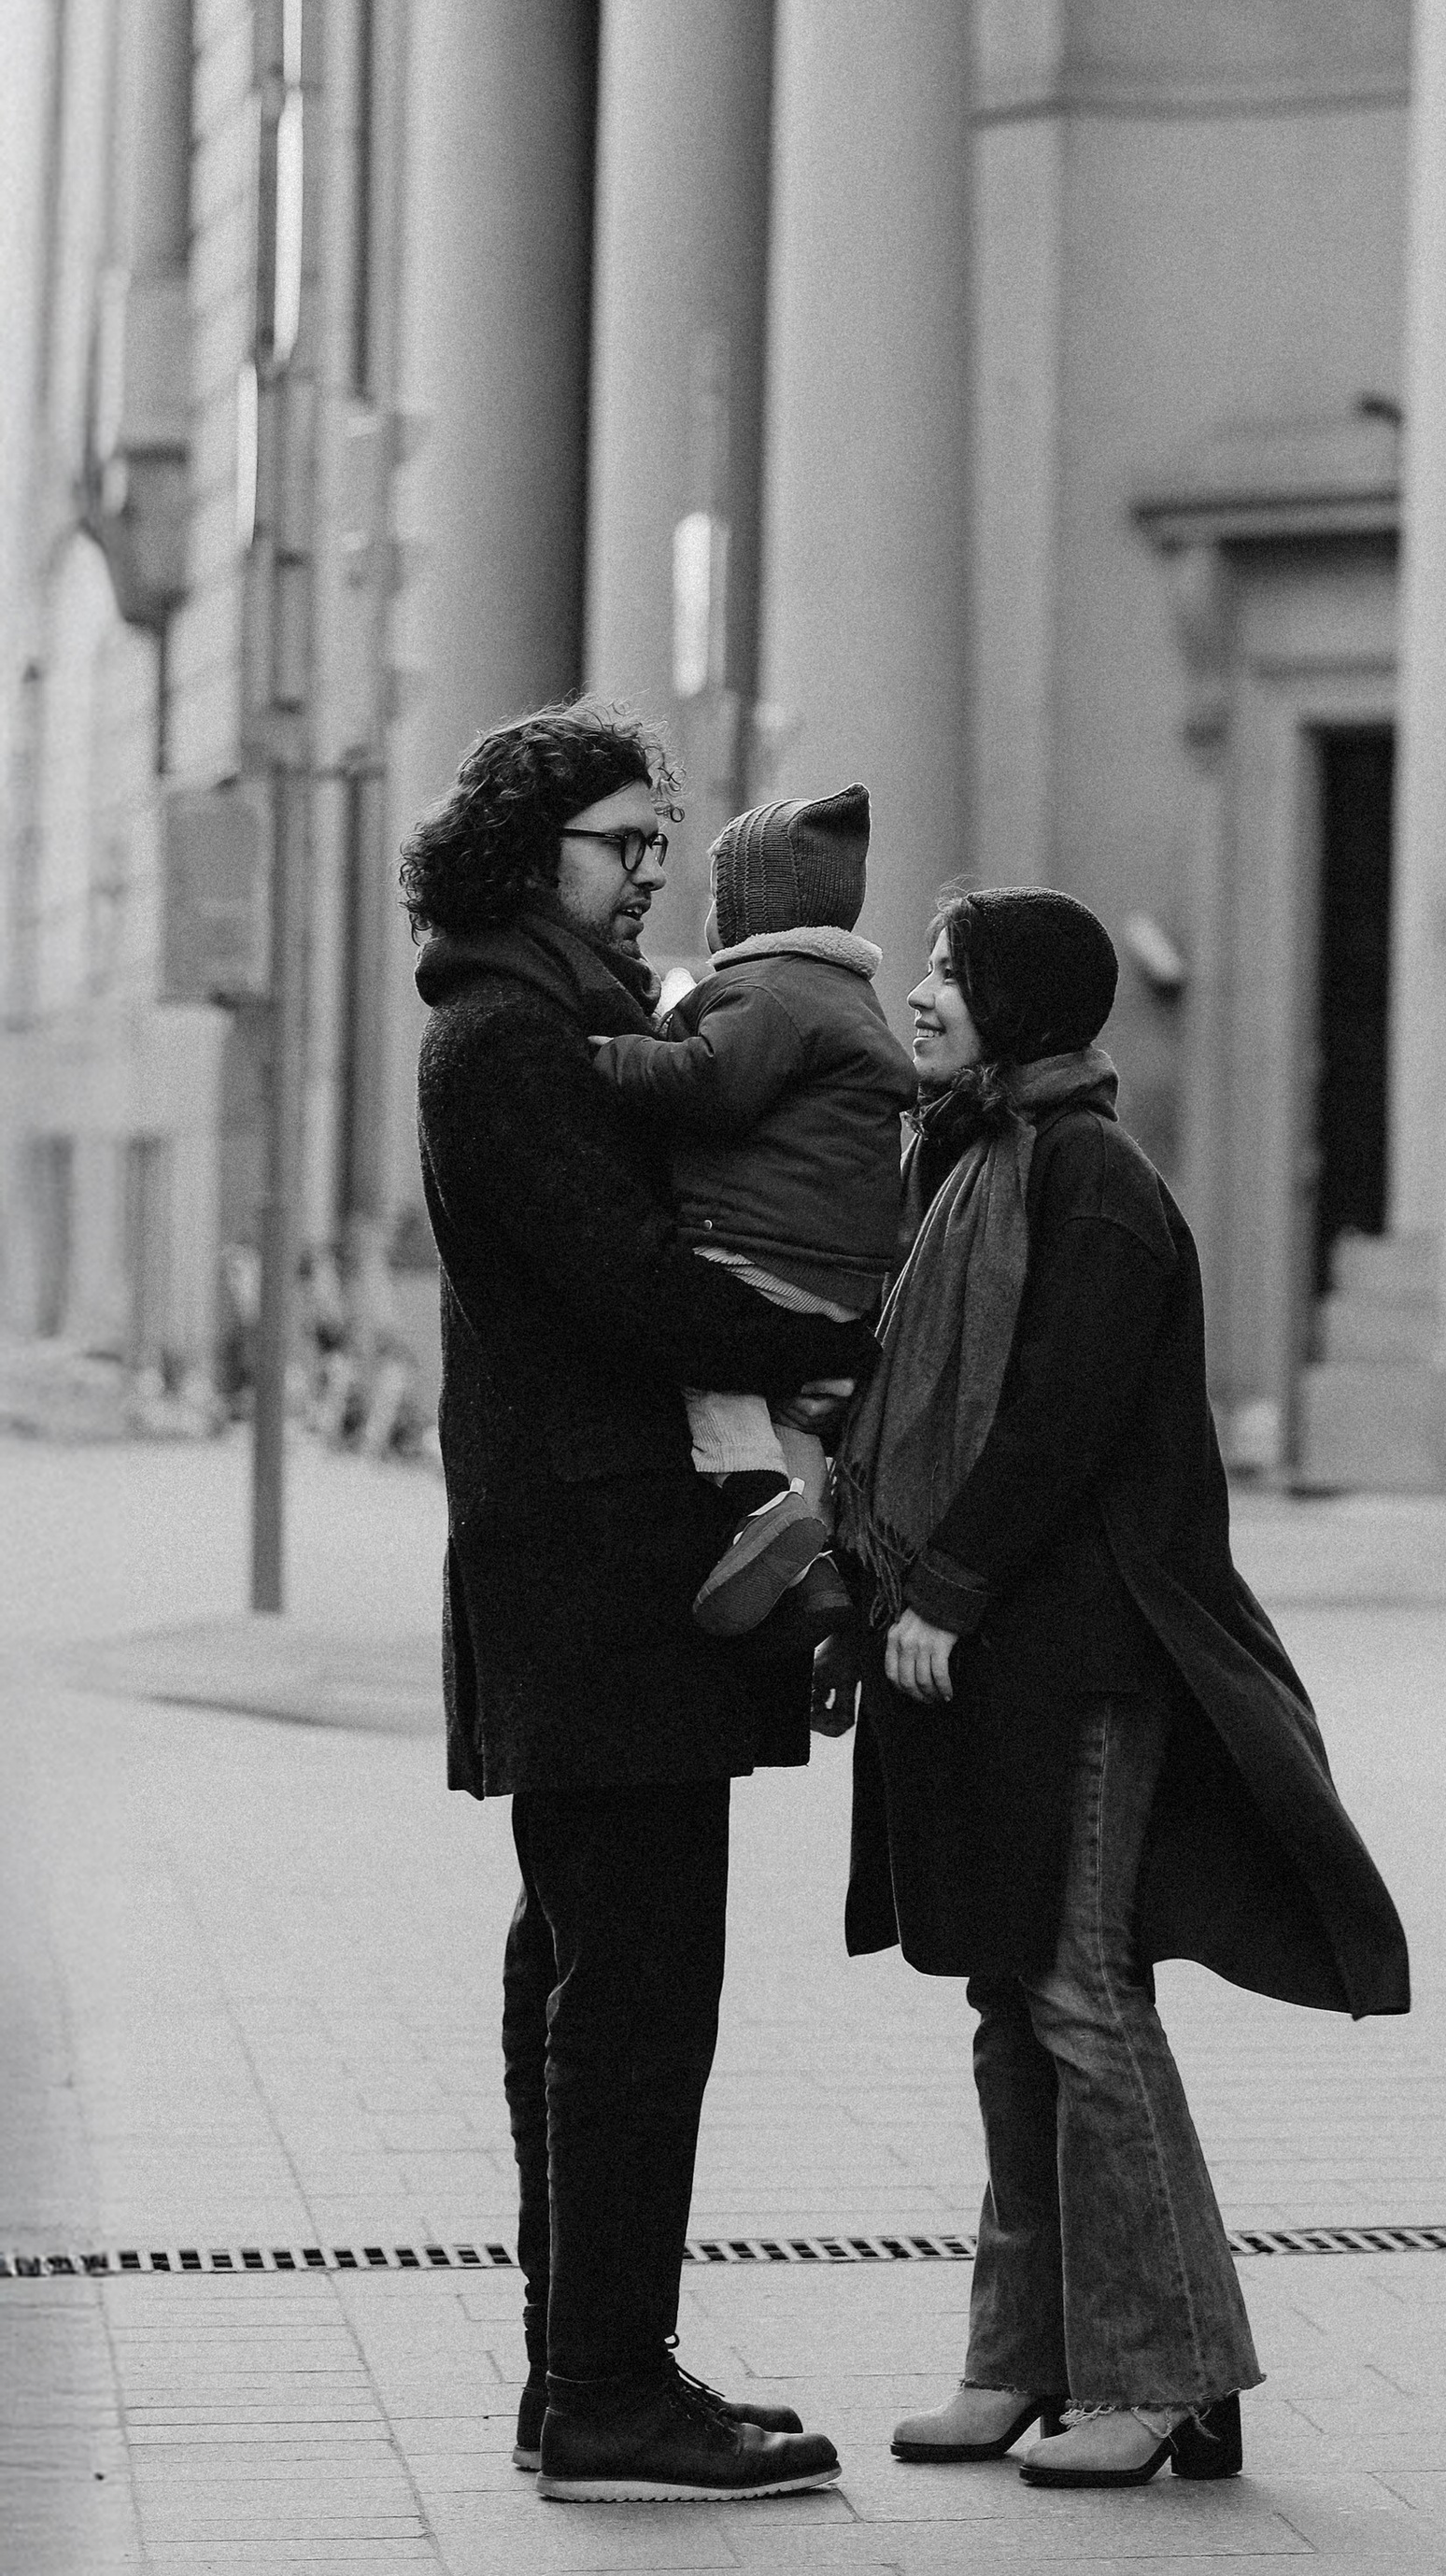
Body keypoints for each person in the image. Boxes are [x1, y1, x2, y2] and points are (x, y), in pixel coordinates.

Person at [840, 885, 1410, 2493]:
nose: (929, 990)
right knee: (1010, 1999)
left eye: (956, 971)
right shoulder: (962, 1160)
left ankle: (1162, 2374)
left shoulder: (1088, 1183)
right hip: (976, 1655)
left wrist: (946, 1587)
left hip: (1078, 1652)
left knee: (1083, 1996)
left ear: (1024, 1002)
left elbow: (1058, 1422)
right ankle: (1028, 2359)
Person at [404, 703, 871, 2508]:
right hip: (595, 1570)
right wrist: (829, 1346)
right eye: (623, 845)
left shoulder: (561, 1025)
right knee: (634, 1993)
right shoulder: (506, 1040)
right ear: (532, 854)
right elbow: (621, 1285)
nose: (653, 874)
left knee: (591, 1979)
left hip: (599, 1561)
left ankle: (588, 2374)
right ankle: (605, 2388)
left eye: (662, 846)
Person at [588, 784, 914, 1647]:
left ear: (743, 910)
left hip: (761, 1252)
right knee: (791, 1415)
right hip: (842, 1275)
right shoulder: (848, 995)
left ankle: (757, 1511)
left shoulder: (767, 991)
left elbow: (711, 1085)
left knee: (714, 1369)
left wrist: (616, 1056)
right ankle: (815, 1576)